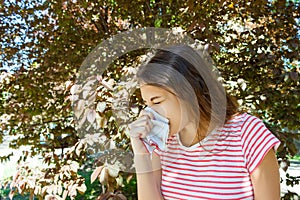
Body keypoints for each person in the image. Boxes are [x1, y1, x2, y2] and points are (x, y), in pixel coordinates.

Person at [129, 45, 281, 200]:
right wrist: (141, 155)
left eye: (157, 101)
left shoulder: (247, 133)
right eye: (147, 103)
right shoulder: (163, 143)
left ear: (188, 92)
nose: (150, 114)